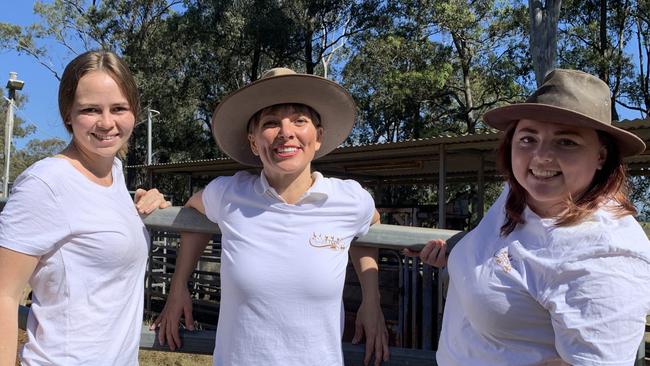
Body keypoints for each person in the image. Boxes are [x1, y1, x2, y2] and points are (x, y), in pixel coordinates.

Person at [408, 69, 650, 365]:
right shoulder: (521, 193)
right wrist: (457, 249)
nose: (541, 156)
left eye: (567, 142)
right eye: (527, 138)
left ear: (601, 155)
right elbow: (507, 245)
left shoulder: (607, 258)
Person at [152, 67, 389, 366]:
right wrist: (178, 287)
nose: (286, 132)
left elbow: (370, 224)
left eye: (299, 120)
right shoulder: (228, 193)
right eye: (271, 122)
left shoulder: (349, 199)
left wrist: (372, 300)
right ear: (253, 142)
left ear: (318, 137)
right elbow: (191, 211)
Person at [0, 50, 170, 365]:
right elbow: (2, 295)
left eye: (118, 108)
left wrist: (151, 205)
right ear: (68, 113)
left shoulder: (116, 175)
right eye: (91, 110)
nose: (107, 123)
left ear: (134, 111)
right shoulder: (45, 183)